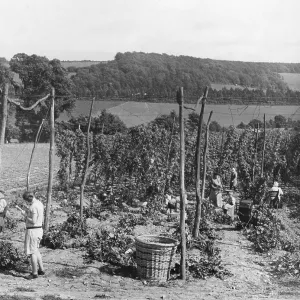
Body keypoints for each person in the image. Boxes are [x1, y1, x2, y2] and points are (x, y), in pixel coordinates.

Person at [21, 191, 45, 279]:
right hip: (39, 229)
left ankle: (34, 273)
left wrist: (25, 215)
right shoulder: (39, 203)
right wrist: (28, 210)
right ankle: (41, 269)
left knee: (32, 252)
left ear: (28, 199)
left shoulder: (33, 206)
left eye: (26, 201)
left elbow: (33, 220)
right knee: (36, 250)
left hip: (33, 231)